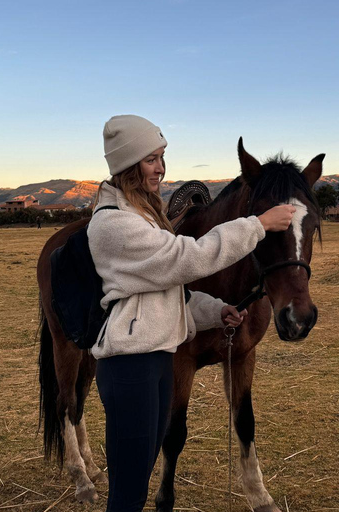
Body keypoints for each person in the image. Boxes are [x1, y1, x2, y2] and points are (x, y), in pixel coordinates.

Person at [86, 114, 295, 512]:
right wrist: (257, 225)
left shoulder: (144, 216)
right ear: (127, 164)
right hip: (130, 366)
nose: (160, 168)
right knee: (128, 492)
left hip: (156, 359)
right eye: (150, 159)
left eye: (162, 157)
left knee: (140, 477)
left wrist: (216, 311)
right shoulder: (114, 224)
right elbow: (187, 259)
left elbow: (170, 294)